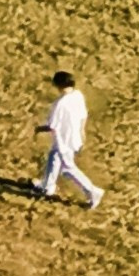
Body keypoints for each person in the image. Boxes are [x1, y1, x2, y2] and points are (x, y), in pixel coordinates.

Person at [37, 71, 101, 206]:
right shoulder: (78, 96)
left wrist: (38, 129)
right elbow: (83, 115)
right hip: (74, 138)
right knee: (54, 160)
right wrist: (82, 132)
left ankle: (92, 191)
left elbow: (52, 126)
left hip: (63, 141)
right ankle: (47, 186)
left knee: (68, 168)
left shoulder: (60, 104)